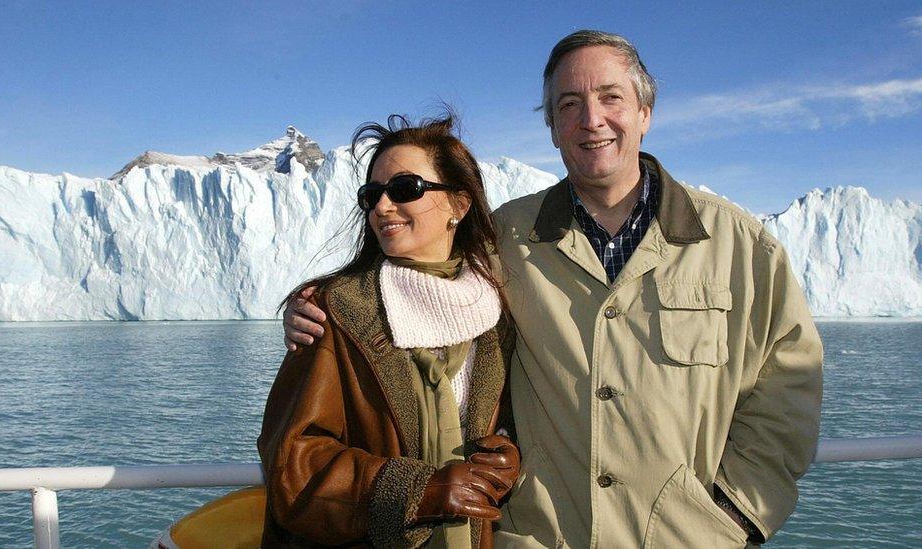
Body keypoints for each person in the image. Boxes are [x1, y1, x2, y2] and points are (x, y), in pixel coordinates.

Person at [284, 30, 824, 548]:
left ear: (644, 113)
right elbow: (420, 270)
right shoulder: (506, 240)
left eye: (610, 97)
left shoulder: (740, 246)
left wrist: (735, 512)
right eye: (568, 105)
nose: (591, 120)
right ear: (552, 126)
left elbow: (787, 385)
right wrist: (317, 305)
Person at [259, 114, 520, 548]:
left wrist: (509, 455)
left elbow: (518, 418)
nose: (382, 206)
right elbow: (291, 462)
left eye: (405, 189)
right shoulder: (335, 312)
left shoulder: (494, 314)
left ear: (459, 204)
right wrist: (419, 492)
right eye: (372, 194)